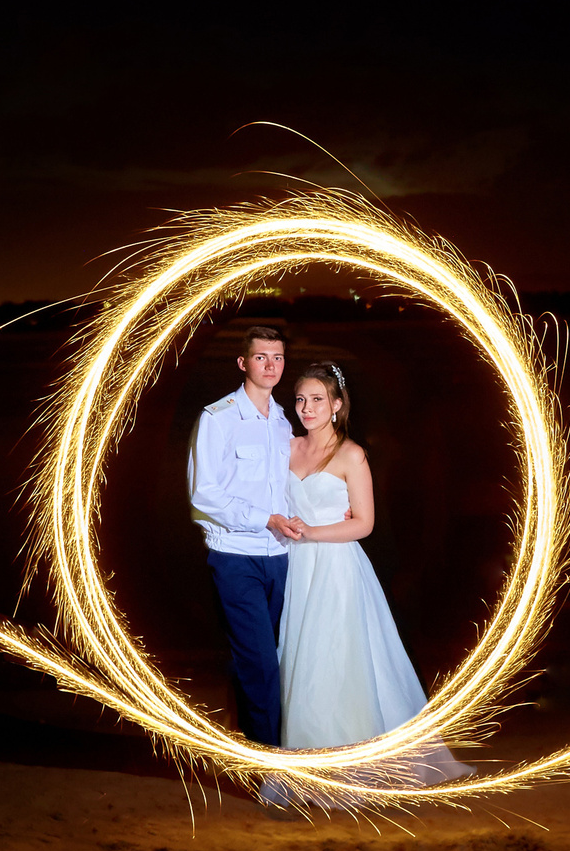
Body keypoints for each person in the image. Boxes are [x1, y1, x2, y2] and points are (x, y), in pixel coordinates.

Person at [261, 362, 473, 803]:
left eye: (317, 399)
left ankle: (351, 764)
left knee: (337, 661)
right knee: (299, 661)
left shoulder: (351, 455)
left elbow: (365, 523)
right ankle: (305, 764)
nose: (306, 408)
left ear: (337, 405)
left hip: (336, 569)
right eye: (300, 399)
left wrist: (312, 532)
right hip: (295, 568)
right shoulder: (286, 447)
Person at [186, 327, 302, 745]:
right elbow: (204, 494)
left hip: (283, 557)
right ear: (243, 363)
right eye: (261, 357)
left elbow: (292, 484)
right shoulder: (218, 417)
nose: (271, 366)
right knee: (260, 663)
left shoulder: (283, 421)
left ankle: (248, 742)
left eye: (278, 357)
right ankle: (270, 766)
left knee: (269, 660)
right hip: (236, 557)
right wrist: (265, 519)